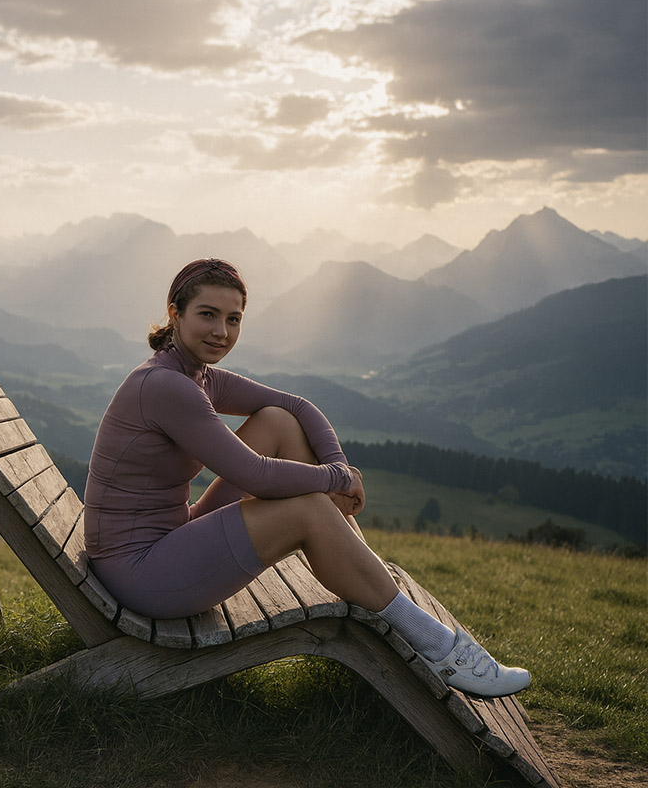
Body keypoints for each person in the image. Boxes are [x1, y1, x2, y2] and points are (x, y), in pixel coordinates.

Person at [83, 257, 529, 697]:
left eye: (233, 319)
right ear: (175, 314)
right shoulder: (166, 386)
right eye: (208, 315)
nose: (222, 331)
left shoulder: (195, 375)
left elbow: (296, 407)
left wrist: (340, 468)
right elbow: (254, 476)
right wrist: (335, 478)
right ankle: (438, 648)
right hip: (143, 574)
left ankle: (360, 564)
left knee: (276, 421)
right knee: (307, 504)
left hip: (168, 538)